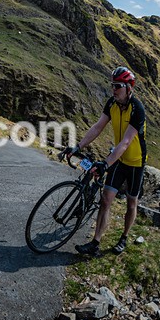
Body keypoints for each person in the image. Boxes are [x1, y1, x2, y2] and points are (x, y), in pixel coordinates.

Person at [65, 66, 146, 257]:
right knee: (106, 200)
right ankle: (95, 243)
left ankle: (124, 237)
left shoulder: (138, 109)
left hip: (135, 162)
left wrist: (106, 163)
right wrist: (79, 146)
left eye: (118, 86)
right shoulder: (112, 104)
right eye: (112, 85)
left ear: (128, 87)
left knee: (131, 203)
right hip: (119, 159)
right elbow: (98, 127)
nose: (114, 90)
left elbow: (126, 141)